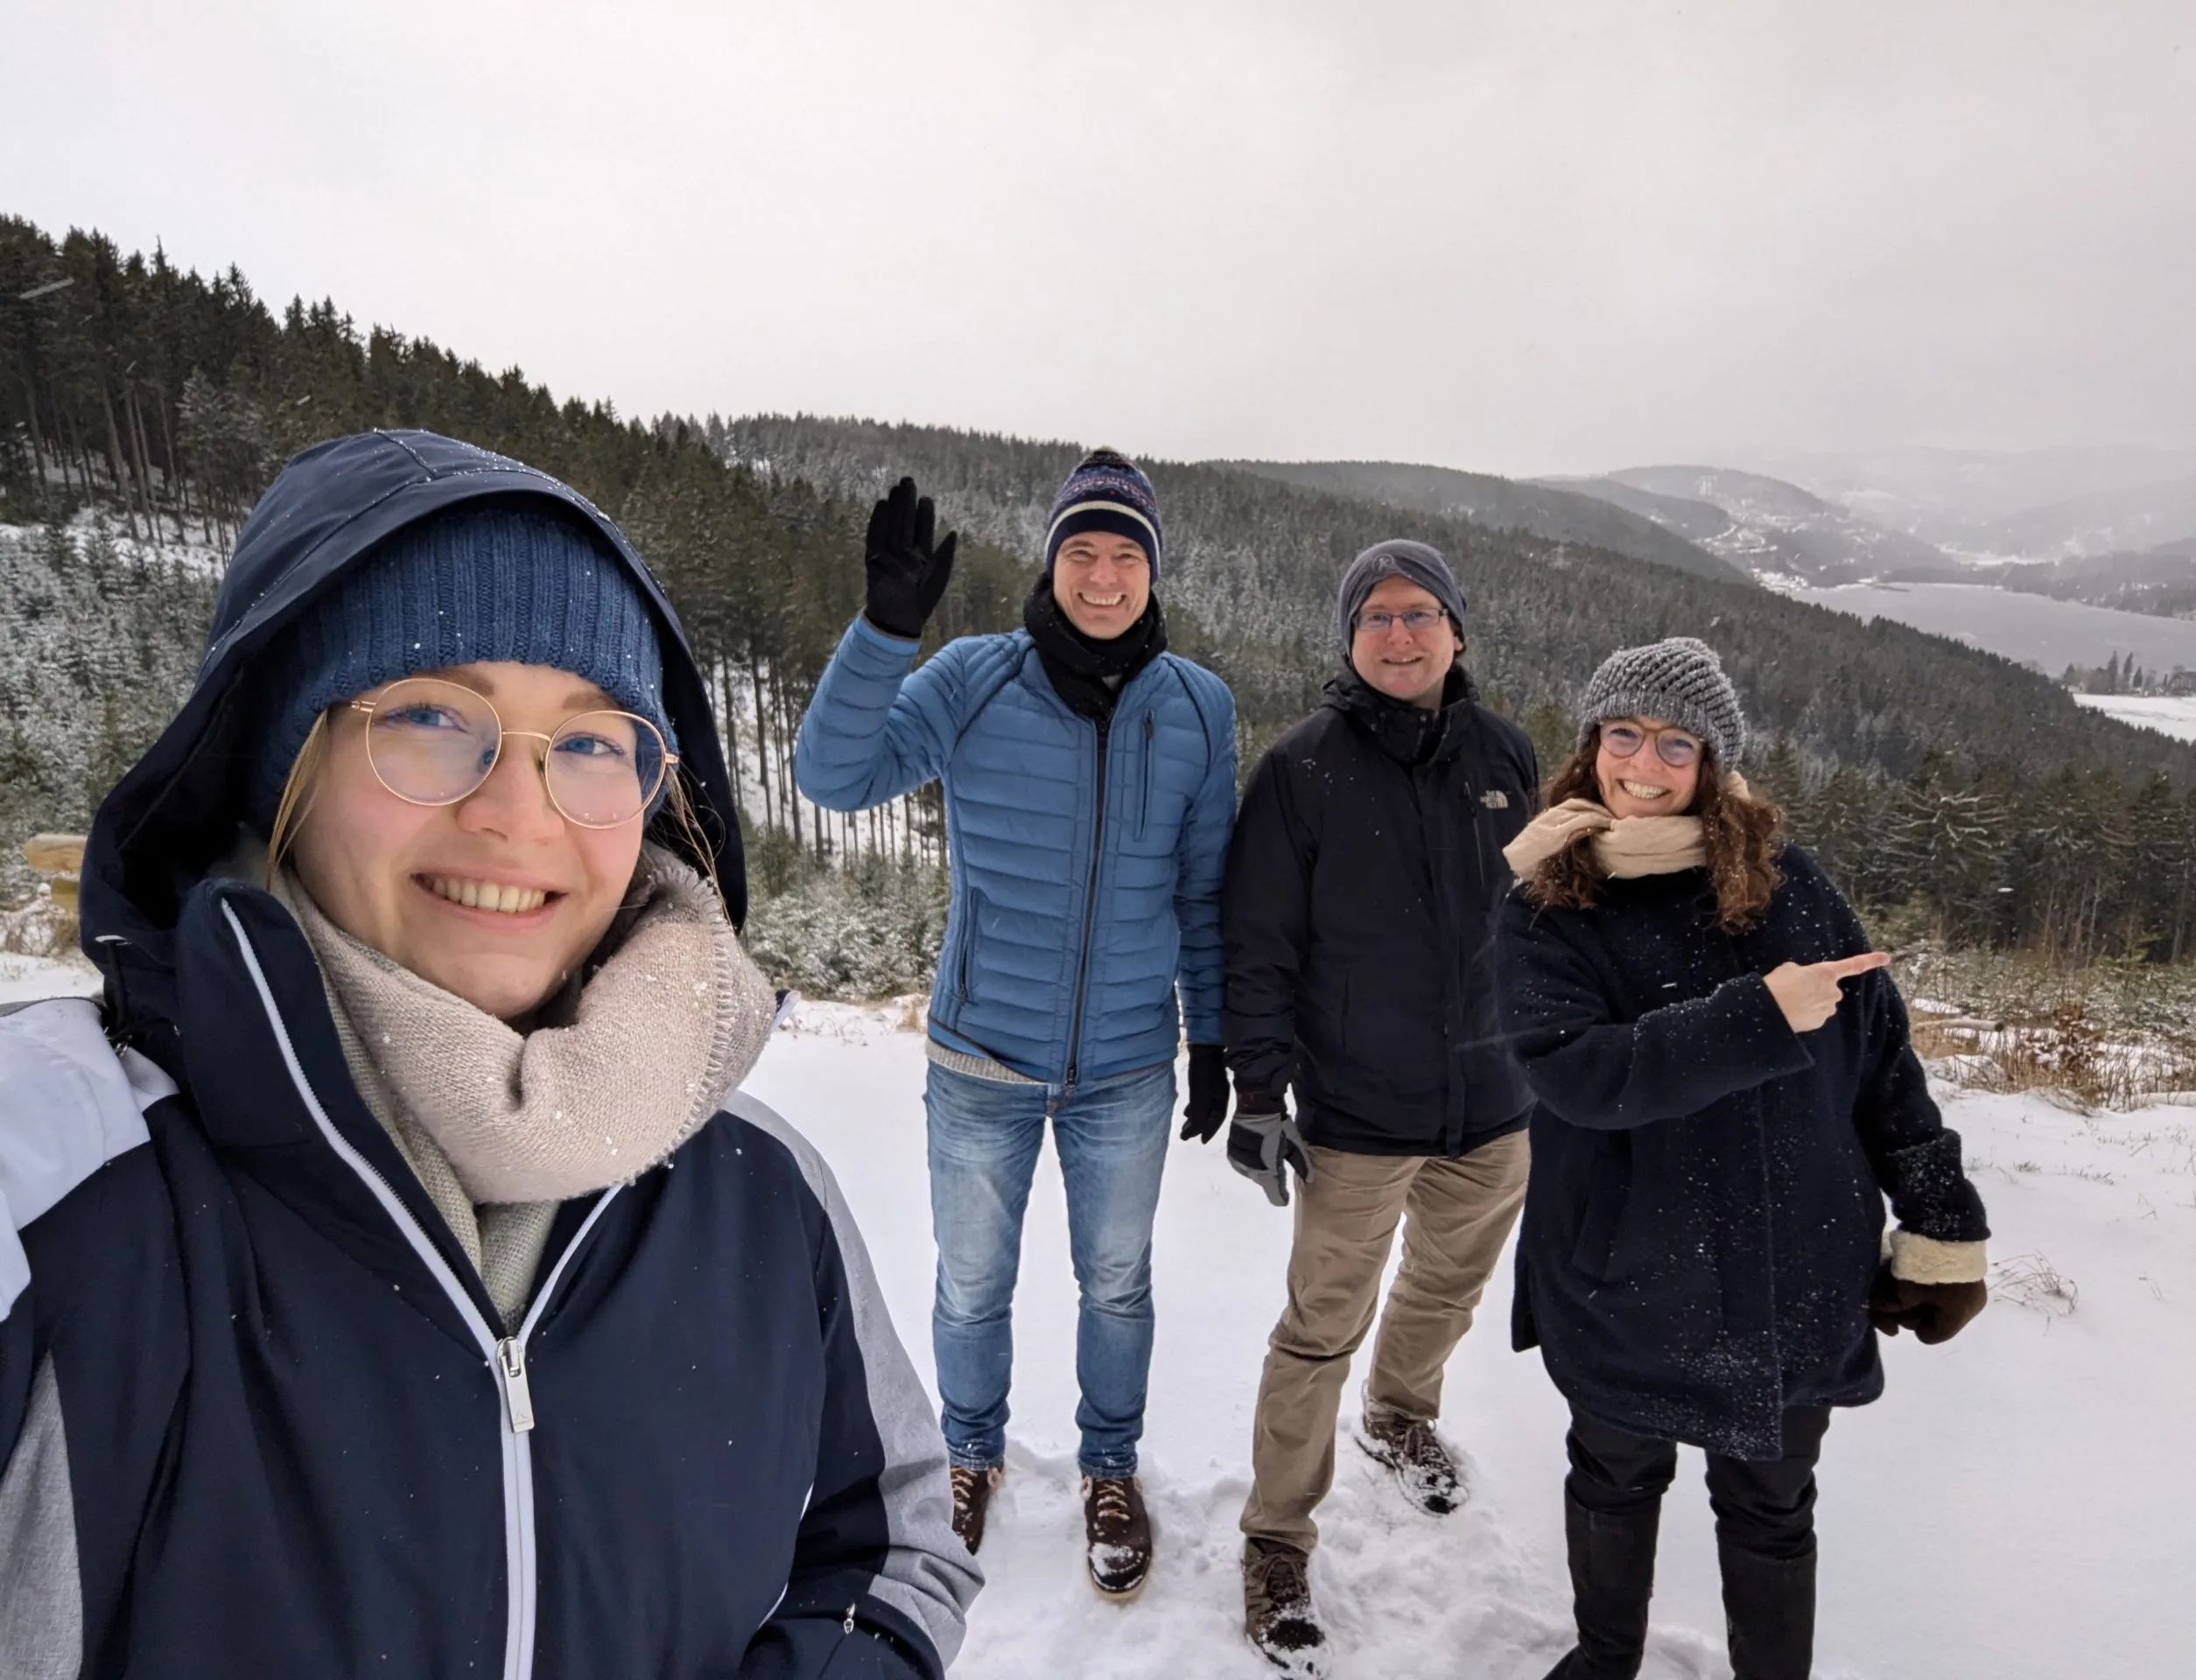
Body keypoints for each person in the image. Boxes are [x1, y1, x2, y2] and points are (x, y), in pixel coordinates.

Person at [0, 430, 979, 1678]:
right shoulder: (63, 1192)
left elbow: (891, 1545)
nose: (516, 814)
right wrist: (885, 643)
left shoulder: (763, 1194)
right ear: (275, 763)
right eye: (427, 714)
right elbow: (845, 767)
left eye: (590, 740)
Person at [1491, 637, 1991, 1680]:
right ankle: (1604, 1661)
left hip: (1790, 1269)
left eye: (1677, 743)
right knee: (1614, 1478)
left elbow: (1881, 1064)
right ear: (1588, 749)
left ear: (1713, 765)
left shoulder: (1789, 887)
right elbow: (1575, 1073)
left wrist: (1942, 1220)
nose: (1645, 762)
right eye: (1622, 733)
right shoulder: (1547, 899)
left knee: (1770, 1507)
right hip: (1620, 1272)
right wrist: (1757, 1016)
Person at [791, 451, 1237, 1596]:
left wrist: (1219, 1037)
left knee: (1119, 1283)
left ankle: (1110, 1468)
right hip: (981, 1057)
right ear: (1051, 560)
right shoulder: (975, 678)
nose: (1101, 576)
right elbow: (834, 776)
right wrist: (883, 632)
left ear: (1154, 571)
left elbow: (1202, 892)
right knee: (970, 1287)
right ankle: (970, 1456)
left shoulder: (1196, 708)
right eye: (1081, 551)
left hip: (1129, 1067)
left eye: (1124, 554)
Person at [1218, 539, 1539, 1676]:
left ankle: (1401, 1414)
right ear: (1349, 640)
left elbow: (1541, 917)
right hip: (1357, 1115)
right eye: (1377, 619)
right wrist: (1259, 1094)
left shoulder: (1506, 755)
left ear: (1458, 630)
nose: (1399, 636)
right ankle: (1275, 1541)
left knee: (1449, 1284)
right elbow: (1254, 949)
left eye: (1420, 615)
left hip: (1497, 1103)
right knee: (1317, 1332)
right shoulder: (1302, 771)